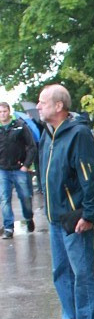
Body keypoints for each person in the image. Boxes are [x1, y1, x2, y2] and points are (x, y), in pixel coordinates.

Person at [37, 84, 94, 319]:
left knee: (82, 272)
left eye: (43, 102)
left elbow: (89, 176)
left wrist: (89, 214)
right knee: (61, 271)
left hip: (75, 217)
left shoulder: (78, 134)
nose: (39, 106)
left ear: (58, 106)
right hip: (56, 217)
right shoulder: (48, 133)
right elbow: (43, 170)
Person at [0, 100, 36, 238]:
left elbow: (32, 146)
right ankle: (9, 227)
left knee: (25, 197)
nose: (2, 114)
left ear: (9, 112)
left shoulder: (20, 126)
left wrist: (26, 165)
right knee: (4, 199)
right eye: (0, 112)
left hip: (19, 168)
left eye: (4, 111)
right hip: (3, 169)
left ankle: (28, 217)